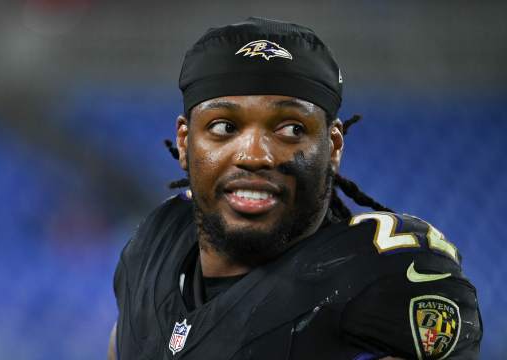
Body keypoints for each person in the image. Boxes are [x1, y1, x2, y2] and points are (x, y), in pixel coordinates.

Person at [109, 17, 482, 359]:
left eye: (291, 129)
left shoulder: (381, 276)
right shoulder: (156, 243)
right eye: (224, 127)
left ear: (334, 146)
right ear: (185, 143)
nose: (254, 156)